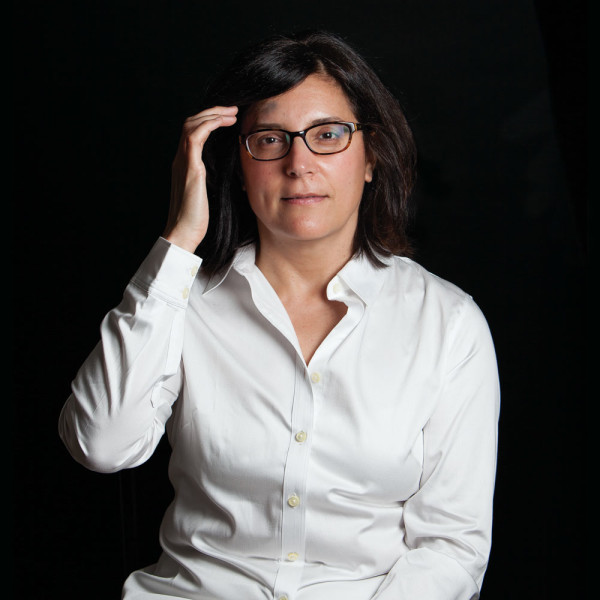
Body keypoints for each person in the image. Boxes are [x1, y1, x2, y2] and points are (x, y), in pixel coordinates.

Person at [59, 30, 500, 600]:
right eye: (270, 139)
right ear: (237, 168)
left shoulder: (449, 324)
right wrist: (179, 241)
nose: (299, 163)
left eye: (328, 135)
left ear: (370, 157)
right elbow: (101, 444)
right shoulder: (182, 302)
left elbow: (452, 548)